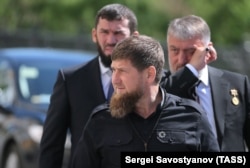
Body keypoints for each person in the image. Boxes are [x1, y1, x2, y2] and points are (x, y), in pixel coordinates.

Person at [71, 35, 220, 168]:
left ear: (149, 74)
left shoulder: (192, 117)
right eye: (113, 70)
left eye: (122, 71)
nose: (114, 80)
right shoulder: (101, 120)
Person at [39, 3, 139, 168]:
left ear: (134, 37)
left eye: (118, 33)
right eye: (104, 32)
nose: (110, 40)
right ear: (94, 34)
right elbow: (52, 144)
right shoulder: (70, 80)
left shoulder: (146, 80)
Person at [166, 14, 250, 151]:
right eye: (174, 50)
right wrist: (191, 69)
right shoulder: (160, 86)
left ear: (208, 49)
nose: (181, 60)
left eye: (191, 51)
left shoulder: (237, 84)